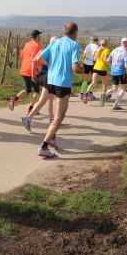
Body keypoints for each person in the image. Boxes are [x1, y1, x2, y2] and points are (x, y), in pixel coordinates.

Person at [35, 22, 83, 158]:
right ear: (75, 33)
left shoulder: (55, 42)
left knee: (57, 114)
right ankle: (44, 146)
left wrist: (53, 65)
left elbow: (39, 58)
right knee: (59, 116)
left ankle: (52, 139)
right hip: (63, 83)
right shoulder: (74, 45)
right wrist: (84, 69)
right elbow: (75, 68)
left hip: (51, 80)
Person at [20, 36, 59, 133]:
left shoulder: (44, 50)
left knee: (50, 98)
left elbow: (34, 60)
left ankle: (51, 117)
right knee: (43, 100)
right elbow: (39, 59)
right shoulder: (54, 52)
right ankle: (28, 118)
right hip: (49, 77)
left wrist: (33, 74)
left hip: (42, 75)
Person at [9, 30, 42, 114]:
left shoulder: (27, 44)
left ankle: (15, 98)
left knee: (27, 89)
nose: (40, 36)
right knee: (36, 90)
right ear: (37, 36)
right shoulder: (36, 46)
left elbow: (21, 56)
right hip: (31, 71)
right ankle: (30, 109)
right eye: (39, 35)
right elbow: (33, 60)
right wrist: (38, 67)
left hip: (24, 69)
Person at [101, 38, 127, 110]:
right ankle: (116, 104)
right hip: (121, 72)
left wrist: (112, 66)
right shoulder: (125, 52)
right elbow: (126, 66)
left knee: (114, 89)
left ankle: (105, 94)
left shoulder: (114, 50)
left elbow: (108, 60)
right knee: (124, 88)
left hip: (113, 71)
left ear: (121, 42)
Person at [80, 36, 100, 101]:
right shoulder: (97, 47)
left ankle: (81, 93)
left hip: (86, 63)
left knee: (85, 80)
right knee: (94, 80)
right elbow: (97, 56)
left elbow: (84, 56)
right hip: (93, 63)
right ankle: (90, 92)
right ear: (96, 41)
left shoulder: (87, 46)